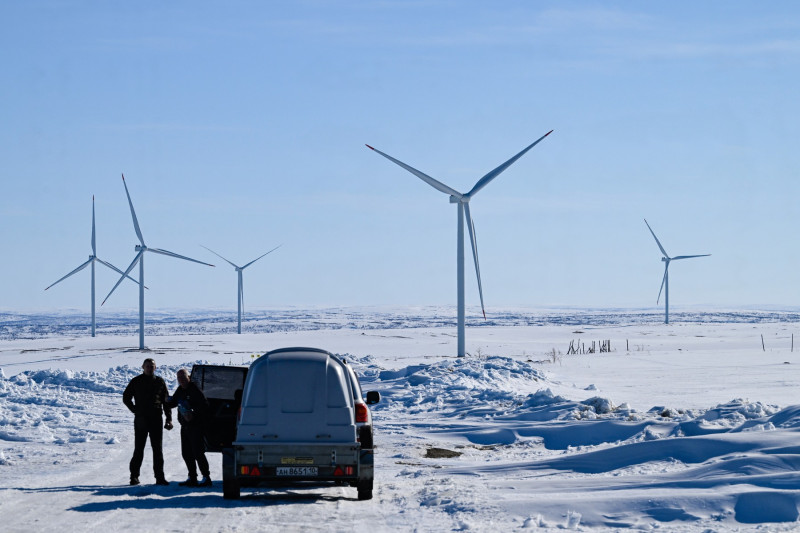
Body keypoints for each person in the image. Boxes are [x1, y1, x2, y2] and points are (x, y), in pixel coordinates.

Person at [123, 357, 173, 486]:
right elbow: (126, 397)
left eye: (152, 366)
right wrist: (134, 409)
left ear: (155, 368)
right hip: (141, 419)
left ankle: (159, 477)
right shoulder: (136, 381)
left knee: (158, 450)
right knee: (139, 449)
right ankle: (134, 476)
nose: (150, 368)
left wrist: (169, 418)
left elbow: (166, 402)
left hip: (156, 418)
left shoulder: (160, 382)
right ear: (143, 367)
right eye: (147, 366)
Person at [167, 368, 212, 487]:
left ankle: (206, 477)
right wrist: (166, 399)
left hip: (196, 426)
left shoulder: (195, 389)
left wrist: (193, 412)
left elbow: (205, 405)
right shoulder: (180, 390)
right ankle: (192, 477)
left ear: (189, 377)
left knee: (198, 452)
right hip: (185, 426)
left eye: (183, 377)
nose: (181, 380)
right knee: (186, 453)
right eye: (179, 378)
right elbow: (173, 403)